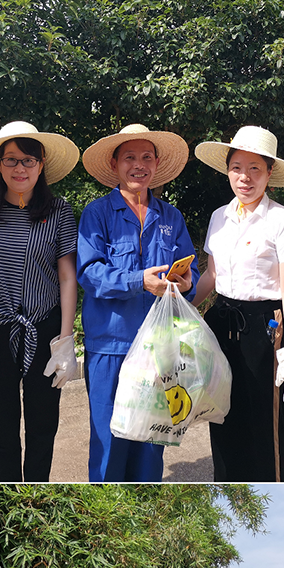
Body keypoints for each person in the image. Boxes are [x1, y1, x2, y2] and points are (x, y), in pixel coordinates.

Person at [77, 123, 200, 482]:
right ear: (115, 164)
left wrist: (185, 282)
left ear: (156, 164)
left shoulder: (171, 217)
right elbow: (90, 273)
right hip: (110, 345)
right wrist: (138, 281)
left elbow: (187, 270)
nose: (139, 165)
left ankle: (146, 507)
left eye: (147, 157)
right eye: (130, 157)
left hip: (160, 347)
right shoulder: (97, 214)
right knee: (109, 439)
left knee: (151, 441)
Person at [0, 121, 80, 481]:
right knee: (2, 427)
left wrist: (65, 340)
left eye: (28, 160)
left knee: (43, 425)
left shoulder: (59, 211)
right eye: (11, 160)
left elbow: (67, 276)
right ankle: (8, 492)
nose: (20, 168)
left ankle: (36, 492)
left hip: (44, 328)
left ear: (41, 165)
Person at [193, 126, 284, 481]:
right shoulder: (219, 217)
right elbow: (211, 277)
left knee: (264, 426)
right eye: (237, 168)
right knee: (223, 416)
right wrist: (180, 306)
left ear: (270, 172)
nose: (245, 178)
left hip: (265, 328)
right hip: (222, 321)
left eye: (255, 168)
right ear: (227, 170)